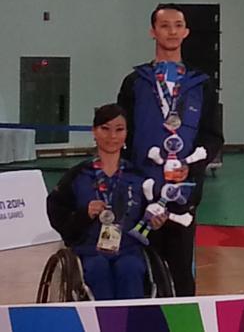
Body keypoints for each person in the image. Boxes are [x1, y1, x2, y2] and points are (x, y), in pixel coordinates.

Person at [117, 3, 223, 296]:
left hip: (182, 193)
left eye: (178, 25)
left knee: (180, 276)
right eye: (164, 25)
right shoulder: (135, 82)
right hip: (142, 190)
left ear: (186, 32)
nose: (172, 31)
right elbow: (123, 133)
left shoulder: (201, 85)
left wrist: (193, 167)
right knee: (139, 271)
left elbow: (213, 137)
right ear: (153, 32)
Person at [46, 104, 167, 300]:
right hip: (89, 249)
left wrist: (156, 223)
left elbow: (151, 215)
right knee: (97, 268)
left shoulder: (139, 177)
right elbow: (58, 214)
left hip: (129, 248)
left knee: (130, 268)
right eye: (105, 128)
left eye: (119, 129)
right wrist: (84, 214)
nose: (112, 136)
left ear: (127, 133)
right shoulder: (77, 176)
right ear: (94, 131)